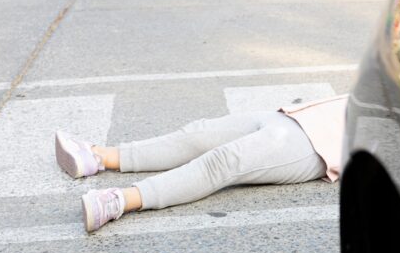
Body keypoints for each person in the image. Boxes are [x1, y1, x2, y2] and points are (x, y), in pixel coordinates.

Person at [55, 94, 347, 232]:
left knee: (222, 163)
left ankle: (118, 201)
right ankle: (96, 156)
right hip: (297, 115)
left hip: (318, 145)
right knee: (197, 134)